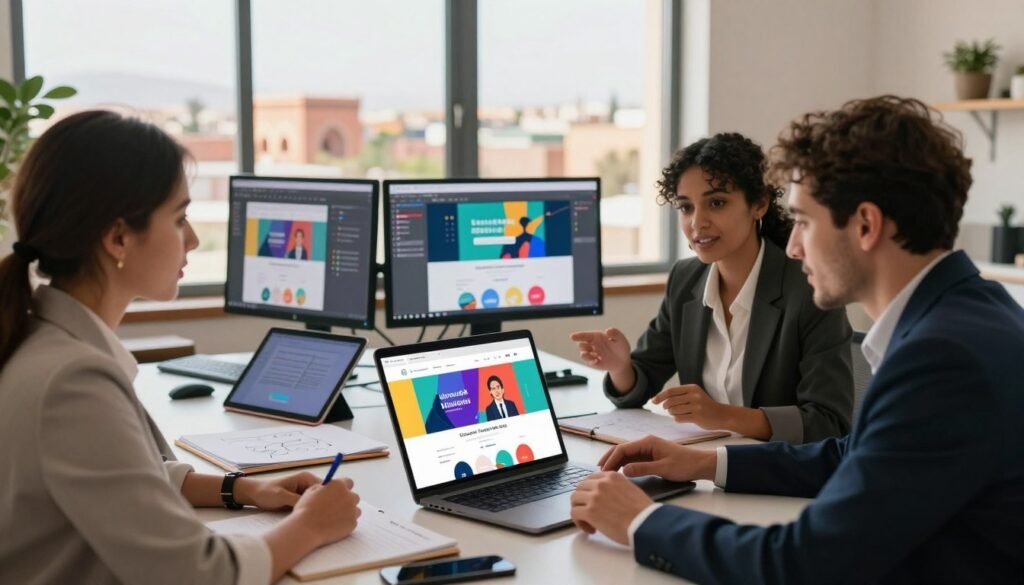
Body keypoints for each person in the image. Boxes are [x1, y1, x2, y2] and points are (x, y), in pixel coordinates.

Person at [569, 96, 1024, 583]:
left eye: (804, 221)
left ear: (866, 225)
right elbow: (849, 455)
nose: (792, 244)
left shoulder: (941, 358)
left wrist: (640, 521)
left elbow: (804, 564)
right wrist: (702, 462)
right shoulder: (969, 314)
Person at [0, 111, 362, 585]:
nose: (191, 240)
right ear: (117, 238)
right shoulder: (72, 382)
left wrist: (245, 488)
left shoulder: (44, 339)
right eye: (179, 218)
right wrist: (310, 526)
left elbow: (123, 480)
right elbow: (196, 574)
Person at [571, 133, 853, 443]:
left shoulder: (809, 287)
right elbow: (642, 382)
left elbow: (829, 423)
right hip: (705, 467)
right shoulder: (685, 280)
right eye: (686, 207)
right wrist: (621, 366)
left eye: (716, 203)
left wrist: (721, 414)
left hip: (780, 476)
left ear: (759, 204)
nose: (697, 223)